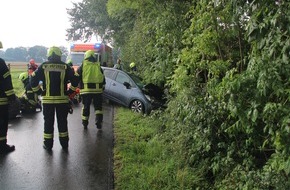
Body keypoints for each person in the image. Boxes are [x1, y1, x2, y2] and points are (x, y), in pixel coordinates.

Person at [30, 46, 78, 151]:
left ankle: (48, 145)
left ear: (49, 55)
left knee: (48, 123)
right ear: (59, 55)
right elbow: (75, 79)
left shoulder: (43, 66)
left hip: (47, 101)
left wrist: (39, 91)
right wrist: (70, 92)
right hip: (62, 100)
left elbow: (32, 78)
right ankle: (64, 144)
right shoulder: (65, 67)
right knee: (62, 123)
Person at [77, 50, 106, 129]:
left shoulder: (83, 65)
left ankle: (85, 123)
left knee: (86, 107)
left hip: (86, 91)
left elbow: (77, 77)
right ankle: (98, 121)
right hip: (97, 91)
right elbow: (103, 78)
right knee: (98, 108)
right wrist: (102, 86)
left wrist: (78, 87)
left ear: (86, 56)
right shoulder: (98, 65)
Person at [0, 41, 16, 154]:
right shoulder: (0, 63)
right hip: (1, 100)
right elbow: (6, 80)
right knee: (2, 122)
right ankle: (2, 146)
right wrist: (11, 96)